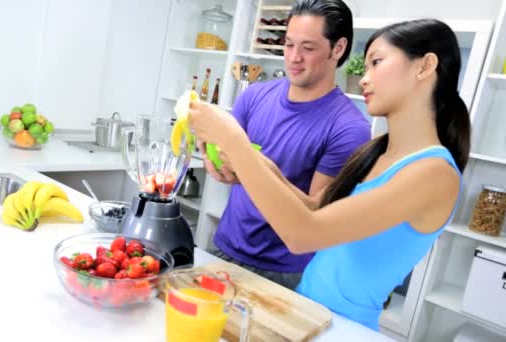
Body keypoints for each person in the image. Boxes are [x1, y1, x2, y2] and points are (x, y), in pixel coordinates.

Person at [189, 18, 470, 330]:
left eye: (376, 62)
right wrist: (255, 166)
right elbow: (314, 210)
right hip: (307, 312)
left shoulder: (434, 173)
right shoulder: (377, 151)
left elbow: (303, 234)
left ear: (425, 66)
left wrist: (233, 140)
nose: (364, 79)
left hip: (344, 328)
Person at [199, 0, 370, 290]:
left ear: (338, 49)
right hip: (224, 247)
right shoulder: (254, 96)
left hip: (285, 272)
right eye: (288, 44)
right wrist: (212, 158)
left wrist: (251, 165)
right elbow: (222, 158)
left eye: (308, 47)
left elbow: (316, 212)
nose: (293, 57)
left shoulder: (350, 129)